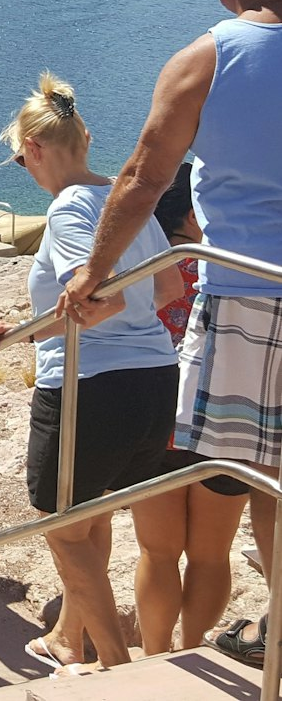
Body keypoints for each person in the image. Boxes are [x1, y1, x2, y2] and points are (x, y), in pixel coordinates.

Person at [64, 0, 282, 669]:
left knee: (236, 468)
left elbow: (143, 177)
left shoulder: (207, 57)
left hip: (244, 298)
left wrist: (93, 272)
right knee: (268, 489)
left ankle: (178, 664)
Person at [0, 73, 181, 675]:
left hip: (91, 387)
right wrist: (19, 327)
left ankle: (118, 667)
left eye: (19, 159)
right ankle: (70, 638)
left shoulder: (65, 210)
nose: (25, 171)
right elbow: (166, 286)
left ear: (36, 150)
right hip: (152, 379)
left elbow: (95, 304)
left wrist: (37, 327)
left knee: (62, 530)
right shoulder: (126, 197)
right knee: (89, 518)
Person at [136, 163, 249, 654]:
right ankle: (193, 646)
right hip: (225, 420)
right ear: (193, 213)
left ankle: (157, 656)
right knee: (210, 555)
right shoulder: (236, 267)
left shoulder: (143, 268)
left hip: (157, 421)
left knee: (158, 555)